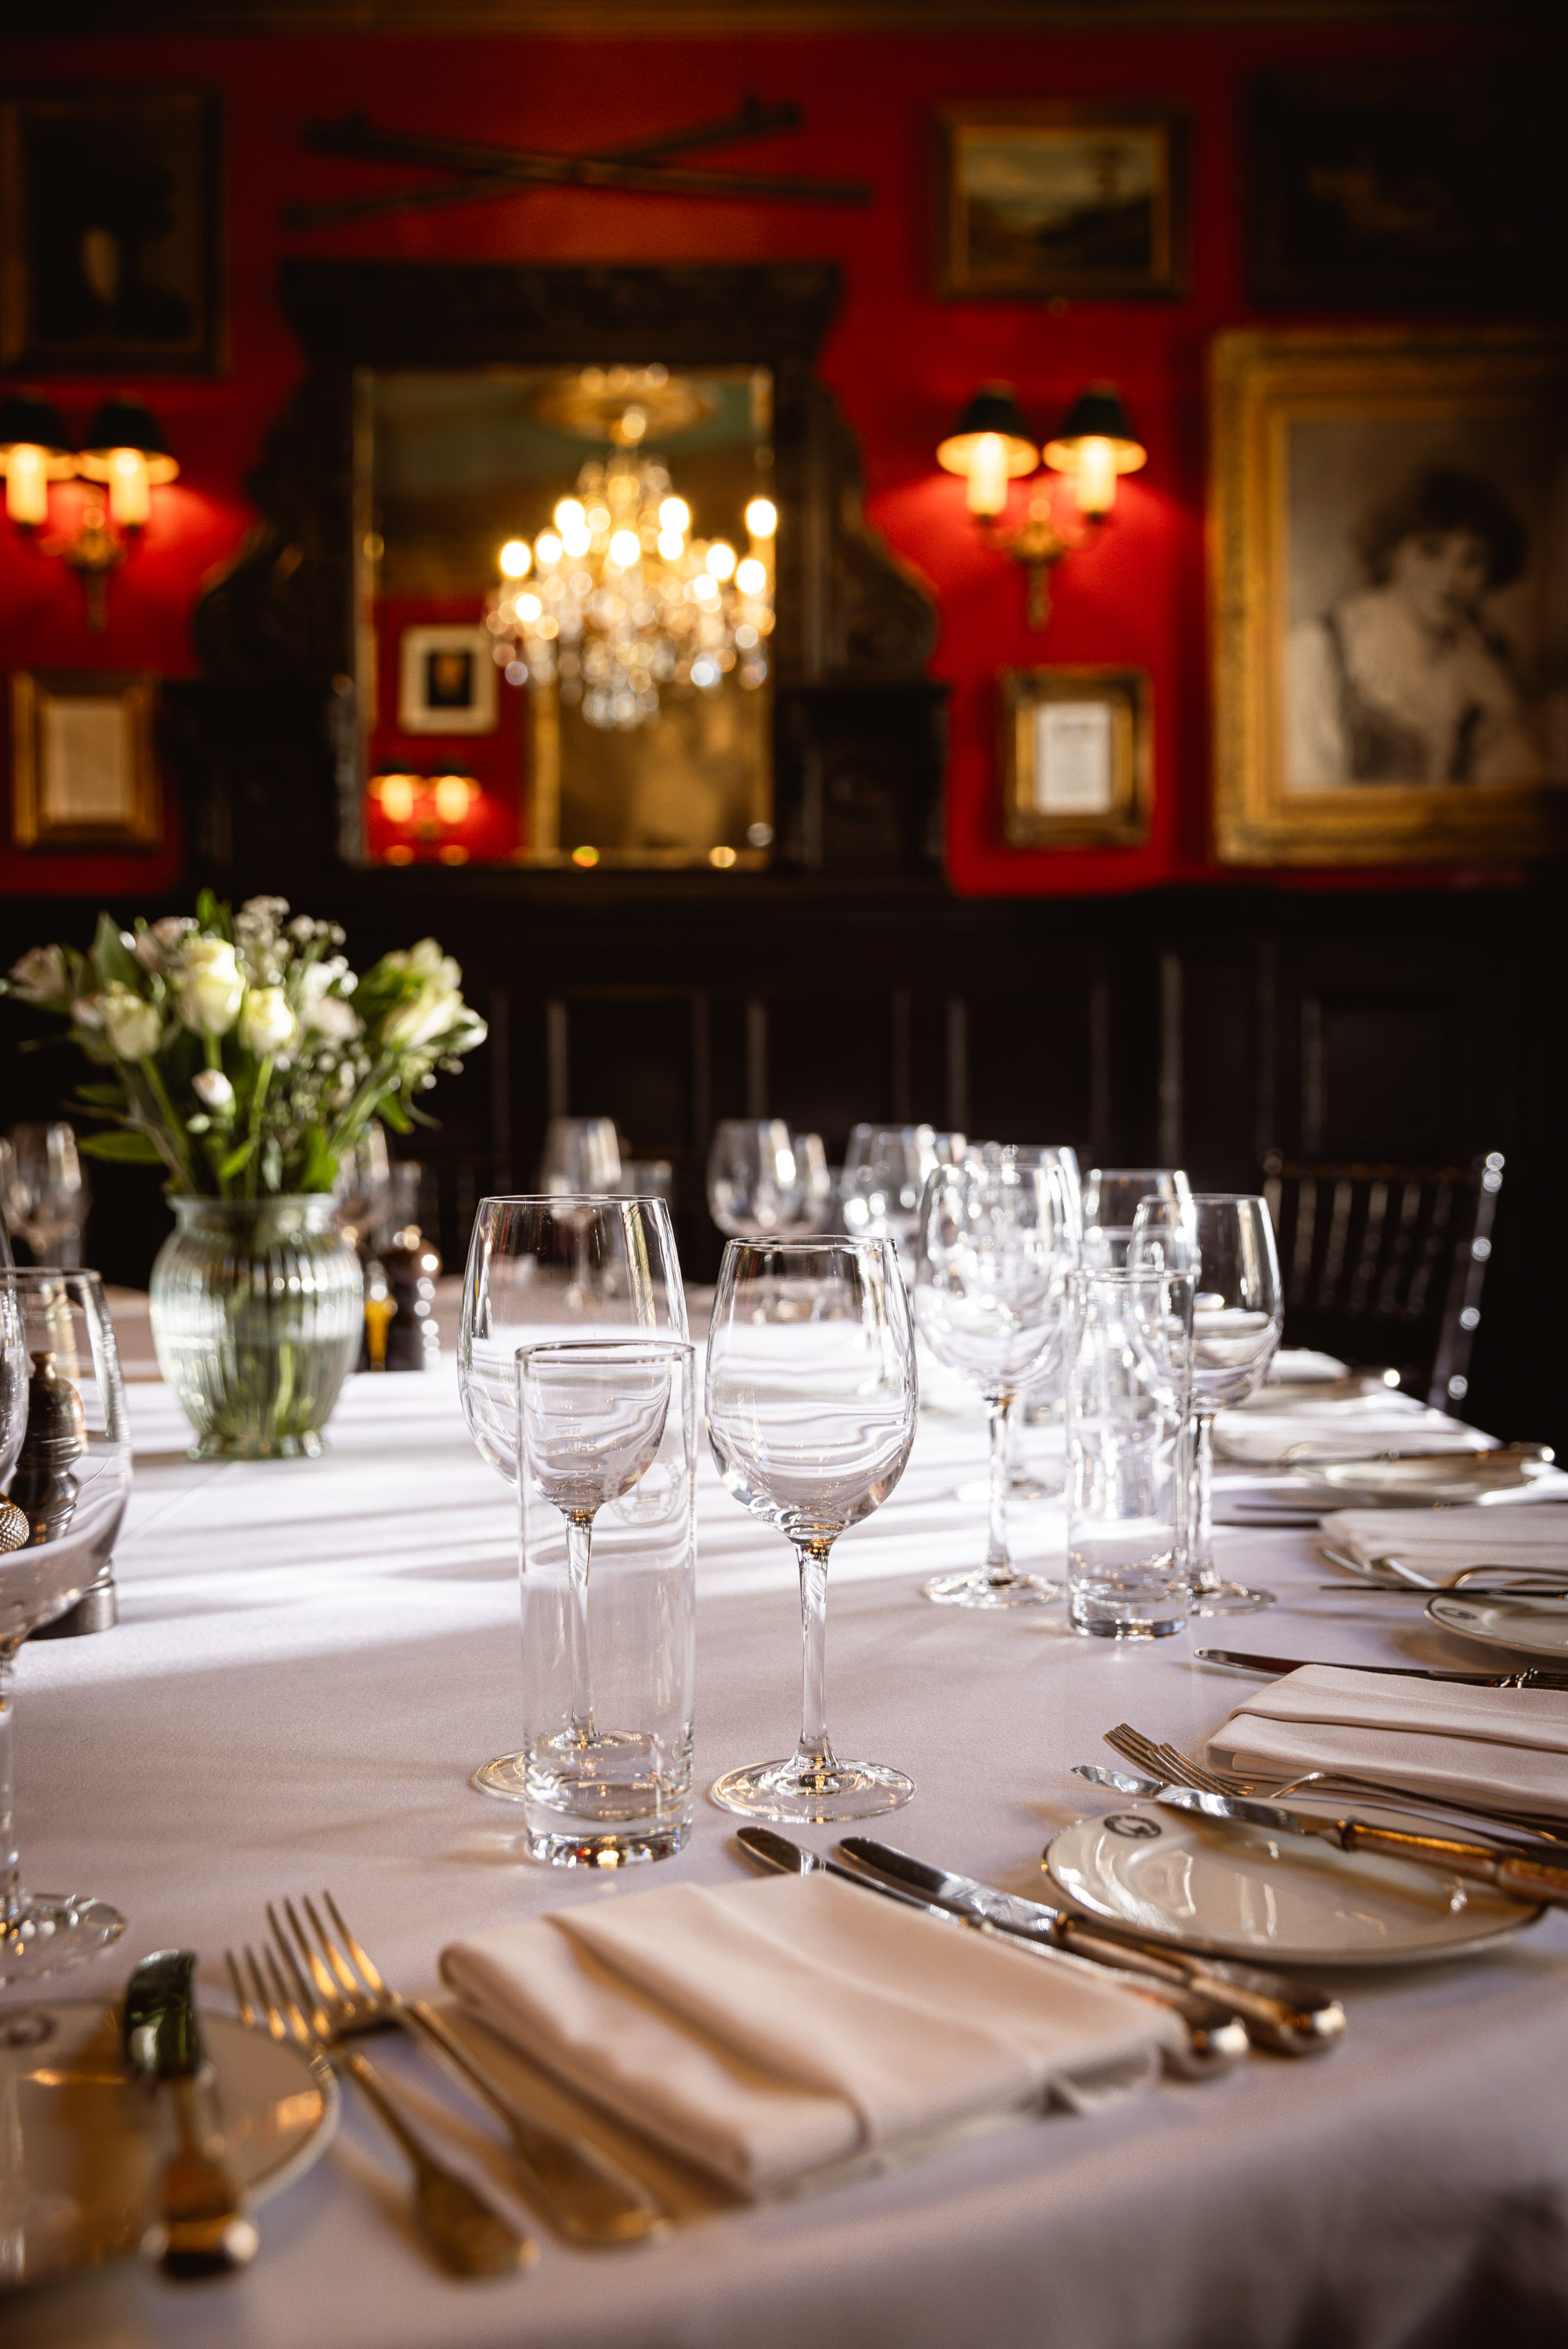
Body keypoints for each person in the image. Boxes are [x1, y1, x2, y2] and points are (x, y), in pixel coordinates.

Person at [1288, 464, 1542, 788]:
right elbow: (1306, 795)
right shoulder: (1319, 651)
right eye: (1430, 551)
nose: (1451, 579)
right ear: (1391, 552)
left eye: (1472, 560)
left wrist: (1503, 714)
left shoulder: (1486, 664)